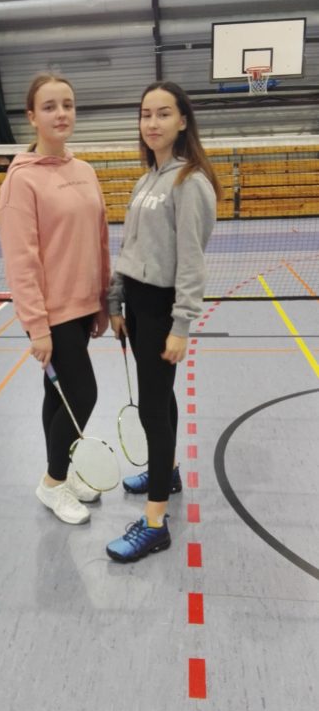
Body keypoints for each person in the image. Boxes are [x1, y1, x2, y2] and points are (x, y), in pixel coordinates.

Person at [106, 80, 222, 562]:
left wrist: (181, 326)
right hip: (136, 306)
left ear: (182, 121)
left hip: (162, 309)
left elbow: (192, 263)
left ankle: (155, 523)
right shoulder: (145, 180)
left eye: (163, 113)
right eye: (145, 114)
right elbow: (130, 247)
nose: (151, 123)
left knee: (152, 410)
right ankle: (168, 473)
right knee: (161, 398)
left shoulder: (189, 182)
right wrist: (116, 302)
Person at [0, 73, 110, 526]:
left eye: (67, 104)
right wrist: (37, 326)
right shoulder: (21, 181)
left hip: (83, 307)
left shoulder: (85, 171)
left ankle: (61, 472)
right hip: (51, 313)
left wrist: (103, 301)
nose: (61, 113)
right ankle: (52, 482)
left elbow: (100, 239)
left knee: (57, 395)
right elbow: (20, 260)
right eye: (49, 107)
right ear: (32, 117)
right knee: (83, 394)